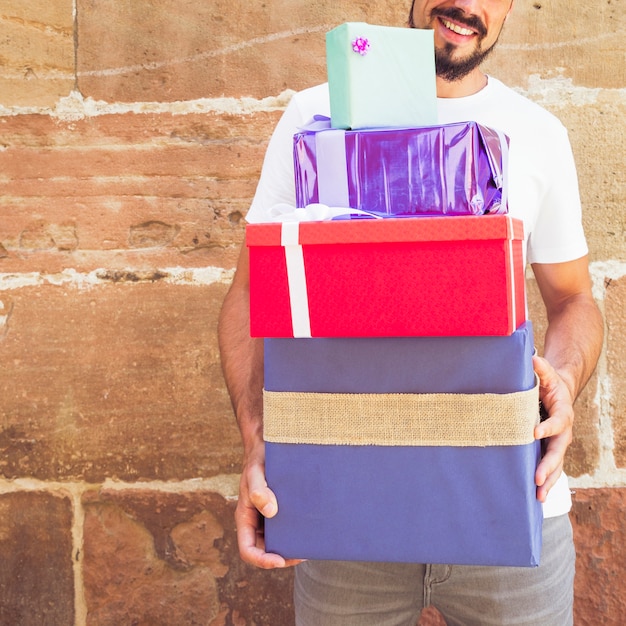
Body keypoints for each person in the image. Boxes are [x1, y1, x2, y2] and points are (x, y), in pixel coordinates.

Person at [218, 1, 604, 624]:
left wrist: (560, 384)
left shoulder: (537, 133)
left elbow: (574, 300)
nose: (468, 6)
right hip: (344, 519)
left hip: (509, 505)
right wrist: (260, 438)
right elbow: (250, 292)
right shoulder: (311, 119)